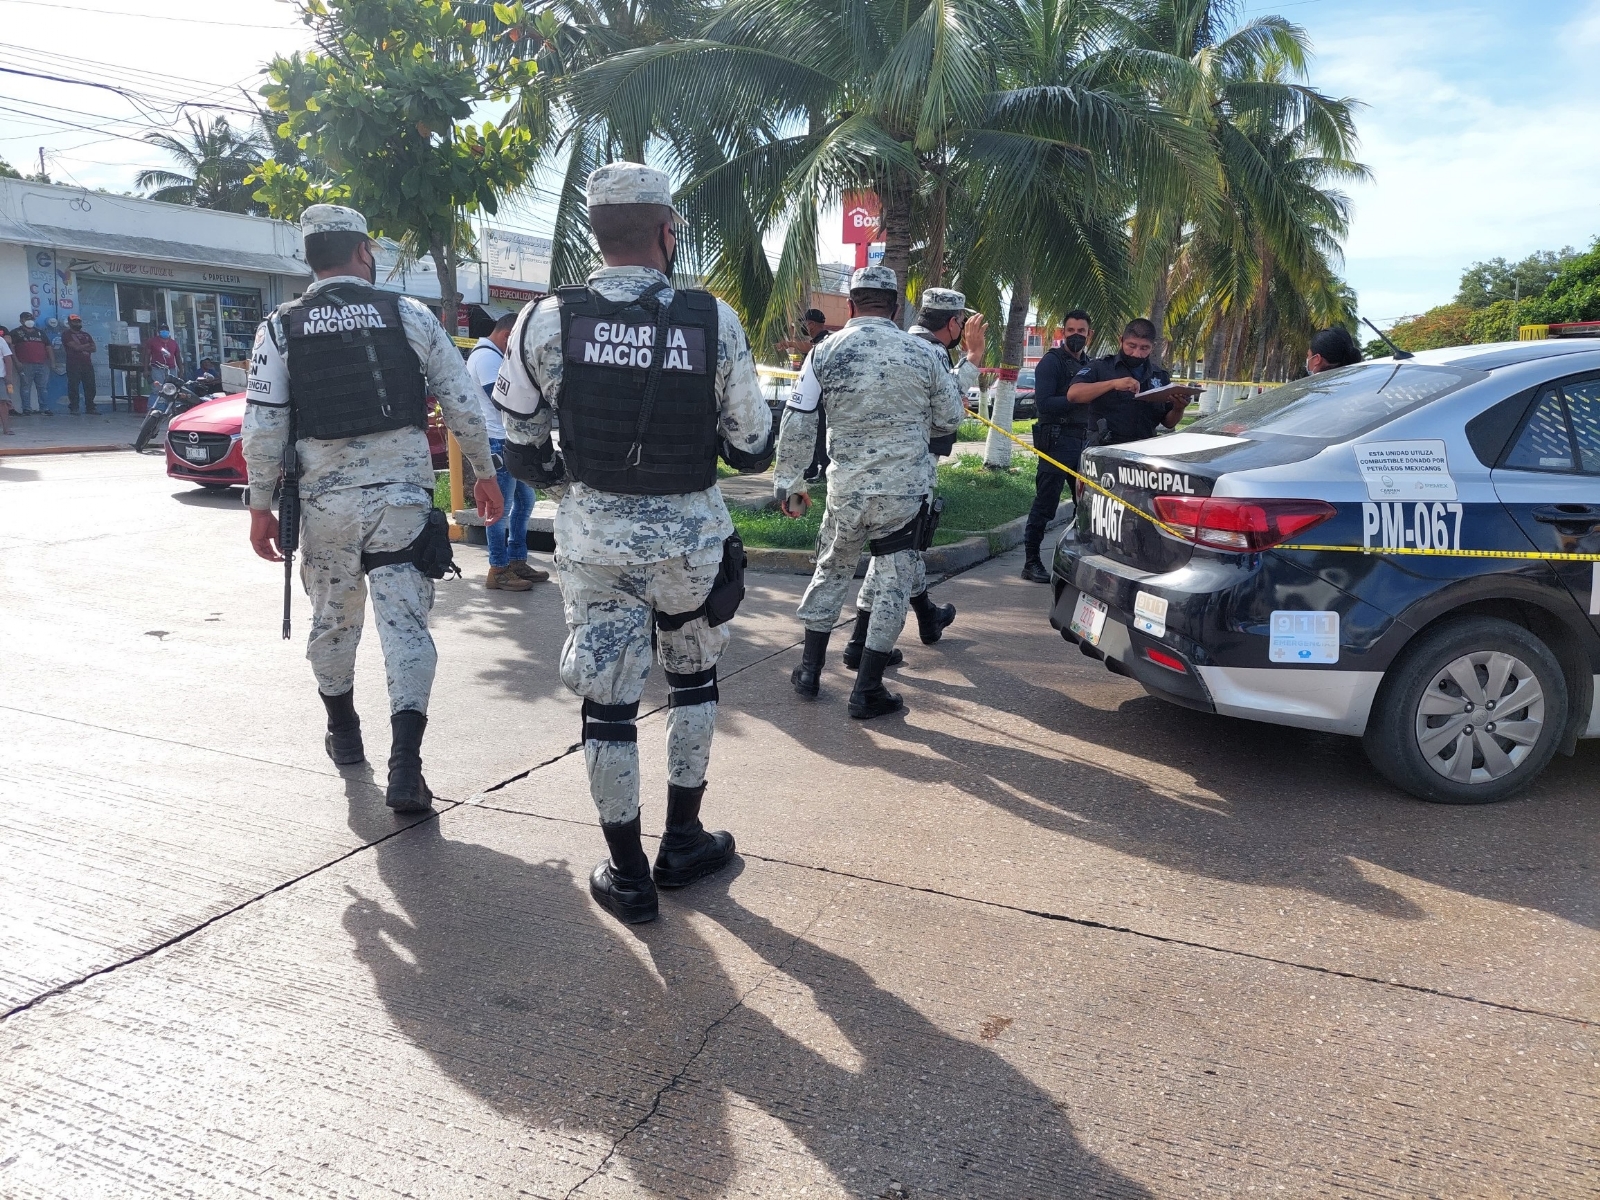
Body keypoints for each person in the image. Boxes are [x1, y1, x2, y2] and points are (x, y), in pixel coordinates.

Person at [494, 162, 775, 926]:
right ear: (665, 232)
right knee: (692, 682)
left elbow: (519, 445)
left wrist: (575, 483)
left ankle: (627, 877)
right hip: (691, 544)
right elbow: (752, 447)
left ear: (596, 232)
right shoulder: (711, 319)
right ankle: (683, 842)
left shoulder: (545, 318)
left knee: (609, 708)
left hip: (594, 545)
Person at [242, 204, 504, 814]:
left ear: (311, 259)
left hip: (324, 506)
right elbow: (461, 397)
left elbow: (263, 425)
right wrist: (485, 474)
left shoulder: (280, 326)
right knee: (405, 627)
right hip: (402, 500)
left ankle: (343, 731)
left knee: (333, 621)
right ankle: (406, 766)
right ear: (364, 252)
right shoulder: (407, 314)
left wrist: (259, 505)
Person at [776, 265, 964, 720]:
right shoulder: (922, 353)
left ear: (853, 305)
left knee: (832, 570)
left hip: (847, 491)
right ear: (897, 309)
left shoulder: (824, 351)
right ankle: (867, 690)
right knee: (892, 586)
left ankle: (808, 671)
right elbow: (950, 419)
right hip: (903, 494)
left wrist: (790, 485)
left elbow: (798, 419)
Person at [895, 286, 988, 646]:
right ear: (952, 323)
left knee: (902, 551)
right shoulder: (931, 353)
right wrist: (974, 356)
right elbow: (947, 414)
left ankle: (927, 615)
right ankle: (863, 648)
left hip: (870, 469)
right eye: (961, 323)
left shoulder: (903, 344)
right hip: (911, 470)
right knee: (901, 553)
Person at [467, 310, 545, 592]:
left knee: (525, 501)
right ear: (508, 336)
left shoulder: (493, 355)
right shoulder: (488, 357)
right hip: (497, 442)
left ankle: (516, 560)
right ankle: (498, 568)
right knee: (500, 508)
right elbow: (502, 401)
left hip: (508, 440)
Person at [1021, 309, 1093, 582]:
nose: (1076, 336)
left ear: (1089, 334)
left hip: (1082, 440)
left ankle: (1076, 558)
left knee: (1084, 504)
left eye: (1081, 331)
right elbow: (1044, 404)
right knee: (1046, 503)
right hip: (1055, 440)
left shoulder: (1089, 365)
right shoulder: (1051, 362)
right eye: (1071, 330)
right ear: (1063, 333)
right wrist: (1075, 397)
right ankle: (1031, 561)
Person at [1066, 317, 1188, 446]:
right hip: (1105, 449)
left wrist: (1179, 408)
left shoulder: (1159, 376)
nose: (1136, 353)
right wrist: (1113, 384)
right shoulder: (1100, 367)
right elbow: (1073, 394)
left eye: (1144, 348)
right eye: (1132, 346)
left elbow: (1168, 423)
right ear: (1121, 340)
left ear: (1153, 347)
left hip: (1144, 449)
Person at [11, 312, 54, 415]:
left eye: (31, 319)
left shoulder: (40, 333)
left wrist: (52, 362)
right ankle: (26, 408)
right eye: (27, 319)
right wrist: (16, 362)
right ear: (21, 320)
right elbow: (11, 348)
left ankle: (44, 408)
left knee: (43, 388)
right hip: (25, 364)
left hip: (42, 365)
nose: (30, 321)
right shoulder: (16, 332)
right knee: (25, 387)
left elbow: (48, 347)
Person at [61, 315, 98, 414]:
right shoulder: (66, 334)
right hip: (73, 364)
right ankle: (74, 408)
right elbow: (75, 348)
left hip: (87, 364)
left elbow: (94, 348)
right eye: (74, 322)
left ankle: (90, 407)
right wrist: (86, 346)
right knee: (73, 386)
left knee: (90, 386)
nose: (77, 323)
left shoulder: (86, 334)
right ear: (69, 323)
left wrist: (81, 347)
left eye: (78, 321)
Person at [146, 323, 182, 403]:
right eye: (162, 330)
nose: (164, 332)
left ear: (169, 331)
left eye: (166, 330)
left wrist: (181, 369)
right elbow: (147, 355)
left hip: (171, 368)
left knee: (171, 389)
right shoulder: (152, 341)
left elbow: (178, 356)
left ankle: (170, 408)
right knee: (157, 388)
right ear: (159, 331)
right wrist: (145, 369)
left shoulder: (173, 343)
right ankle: (154, 408)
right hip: (157, 368)